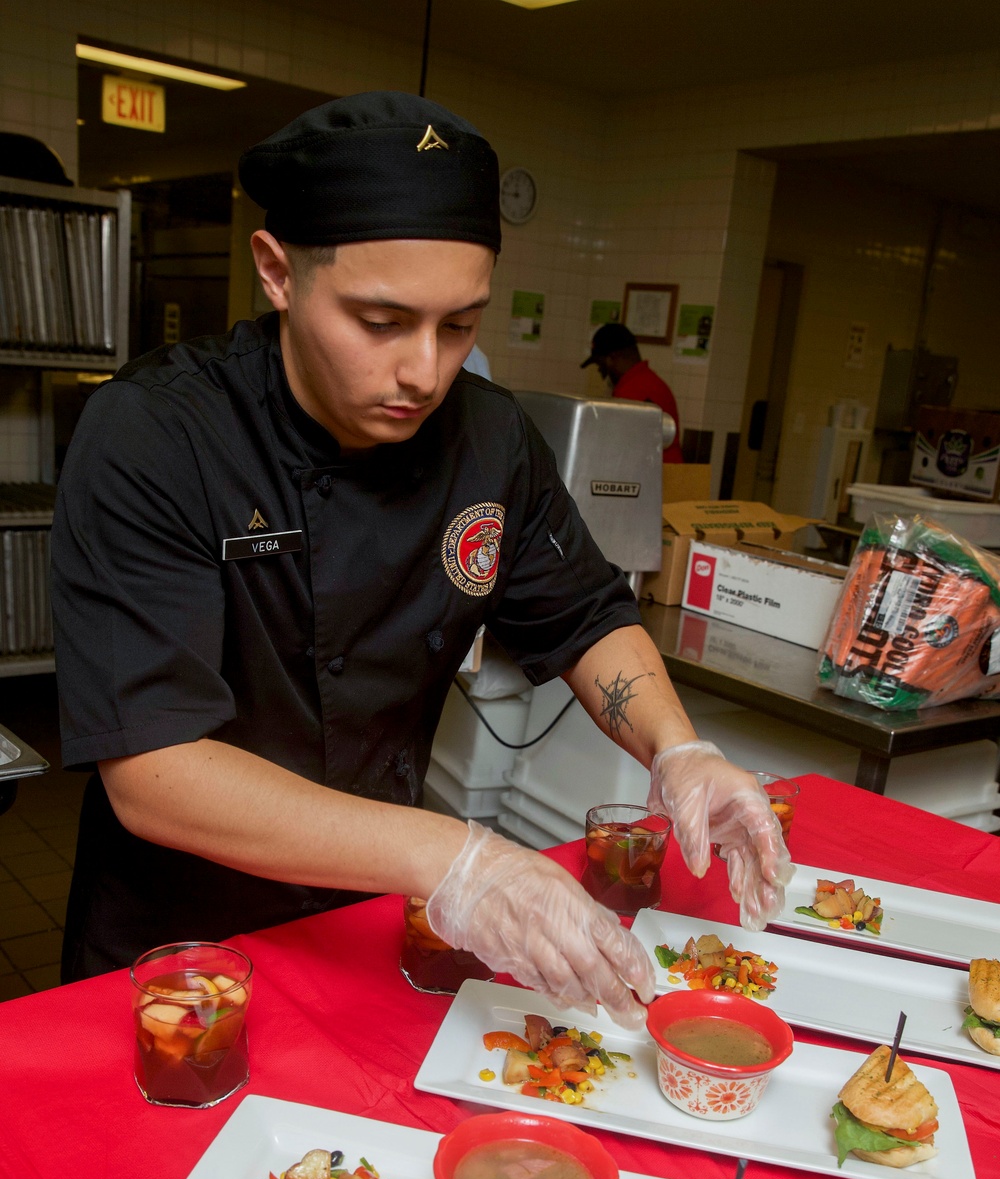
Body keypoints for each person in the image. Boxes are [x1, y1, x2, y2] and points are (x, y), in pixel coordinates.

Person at [51, 92, 791, 1027]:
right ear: (277, 272)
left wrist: (680, 748)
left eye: (459, 325)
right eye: (380, 321)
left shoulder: (490, 439)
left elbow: (585, 614)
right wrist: (458, 859)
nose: (425, 373)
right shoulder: (157, 433)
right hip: (180, 955)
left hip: (372, 918)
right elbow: (154, 770)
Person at [581, 321, 684, 463]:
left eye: (600, 364)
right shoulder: (650, 382)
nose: (600, 371)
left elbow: (617, 446)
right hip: (669, 472)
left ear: (612, 358)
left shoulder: (630, 394)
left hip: (658, 475)